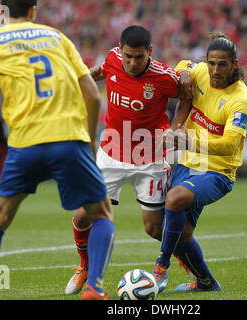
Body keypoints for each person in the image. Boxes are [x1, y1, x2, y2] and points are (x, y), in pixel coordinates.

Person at [0, 0, 115, 300]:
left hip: (25, 143)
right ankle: (94, 288)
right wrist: (90, 141)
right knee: (101, 212)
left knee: (0, 215)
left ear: (2, 13)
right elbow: (93, 95)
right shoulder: (57, 37)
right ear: (33, 11)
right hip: (69, 138)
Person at [64, 25, 193, 295]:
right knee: (82, 215)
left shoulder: (164, 77)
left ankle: (191, 271)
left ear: (150, 52)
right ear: (120, 50)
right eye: (127, 56)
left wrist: (176, 127)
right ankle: (85, 267)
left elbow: (186, 97)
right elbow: (101, 71)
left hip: (151, 157)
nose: (132, 63)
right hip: (111, 153)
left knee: (155, 229)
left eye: (139, 57)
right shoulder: (112, 58)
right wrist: (82, 80)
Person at [152, 33, 247, 292]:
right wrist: (183, 73)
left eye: (222, 64)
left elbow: (230, 144)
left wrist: (188, 141)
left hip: (218, 171)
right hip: (187, 163)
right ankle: (207, 282)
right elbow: (183, 66)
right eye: (211, 63)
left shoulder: (240, 99)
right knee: (175, 234)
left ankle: (160, 269)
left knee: (174, 199)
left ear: (234, 64)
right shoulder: (201, 73)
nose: (215, 70)